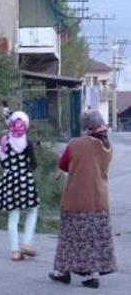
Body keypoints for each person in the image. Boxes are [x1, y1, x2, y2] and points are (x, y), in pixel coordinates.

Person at [49, 110, 116, 289]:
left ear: (85, 126)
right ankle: (93, 275)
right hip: (99, 200)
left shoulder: (75, 144)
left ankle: (62, 272)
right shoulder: (107, 145)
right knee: (93, 239)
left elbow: (62, 165)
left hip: (76, 199)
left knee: (69, 237)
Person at [0, 111, 39, 261]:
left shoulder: (5, 141)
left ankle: (14, 251)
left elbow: (2, 161)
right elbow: (33, 164)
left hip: (10, 180)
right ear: (26, 126)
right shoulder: (28, 143)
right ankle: (26, 242)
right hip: (26, 179)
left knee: (13, 215)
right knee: (32, 210)